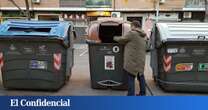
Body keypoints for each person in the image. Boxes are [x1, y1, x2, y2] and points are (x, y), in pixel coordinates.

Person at [114, 21, 147, 96]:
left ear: (133, 26)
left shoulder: (132, 33)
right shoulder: (144, 35)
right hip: (141, 60)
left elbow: (121, 40)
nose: (130, 28)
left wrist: (113, 37)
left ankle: (131, 95)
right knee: (141, 77)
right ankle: (143, 93)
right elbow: (147, 47)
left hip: (132, 61)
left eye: (131, 27)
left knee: (131, 78)